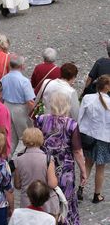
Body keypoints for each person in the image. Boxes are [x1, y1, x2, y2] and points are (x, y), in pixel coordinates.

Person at [35, 92, 87, 225]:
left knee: (44, 197)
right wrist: (83, 170)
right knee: (66, 200)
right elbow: (77, 151)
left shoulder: (40, 120)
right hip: (65, 168)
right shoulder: (71, 124)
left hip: (44, 165)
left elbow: (35, 142)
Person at [13, 128, 60, 217]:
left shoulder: (18, 160)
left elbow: (17, 185)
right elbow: (52, 184)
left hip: (27, 203)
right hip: (47, 203)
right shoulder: (48, 159)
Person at [78, 75, 110, 204]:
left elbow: (80, 117)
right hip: (104, 139)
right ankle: (97, 195)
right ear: (107, 87)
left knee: (87, 164)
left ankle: (80, 188)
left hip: (89, 136)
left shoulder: (87, 98)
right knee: (100, 168)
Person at [0, 55, 36, 154]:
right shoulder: (24, 81)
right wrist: (36, 115)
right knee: (24, 137)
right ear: (22, 66)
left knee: (11, 137)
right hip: (20, 109)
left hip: (6, 106)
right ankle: (16, 160)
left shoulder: (4, 78)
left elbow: (1, 96)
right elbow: (30, 101)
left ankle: (8, 158)